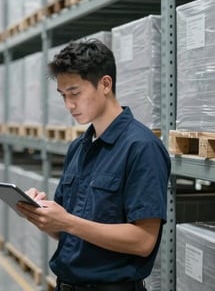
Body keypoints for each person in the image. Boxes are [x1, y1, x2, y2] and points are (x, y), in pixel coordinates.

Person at [16, 39, 170, 291]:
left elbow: (143, 241)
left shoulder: (141, 147)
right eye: (63, 96)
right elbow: (68, 230)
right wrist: (41, 215)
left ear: (105, 84)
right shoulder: (79, 148)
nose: (69, 105)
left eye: (75, 93)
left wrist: (66, 222)